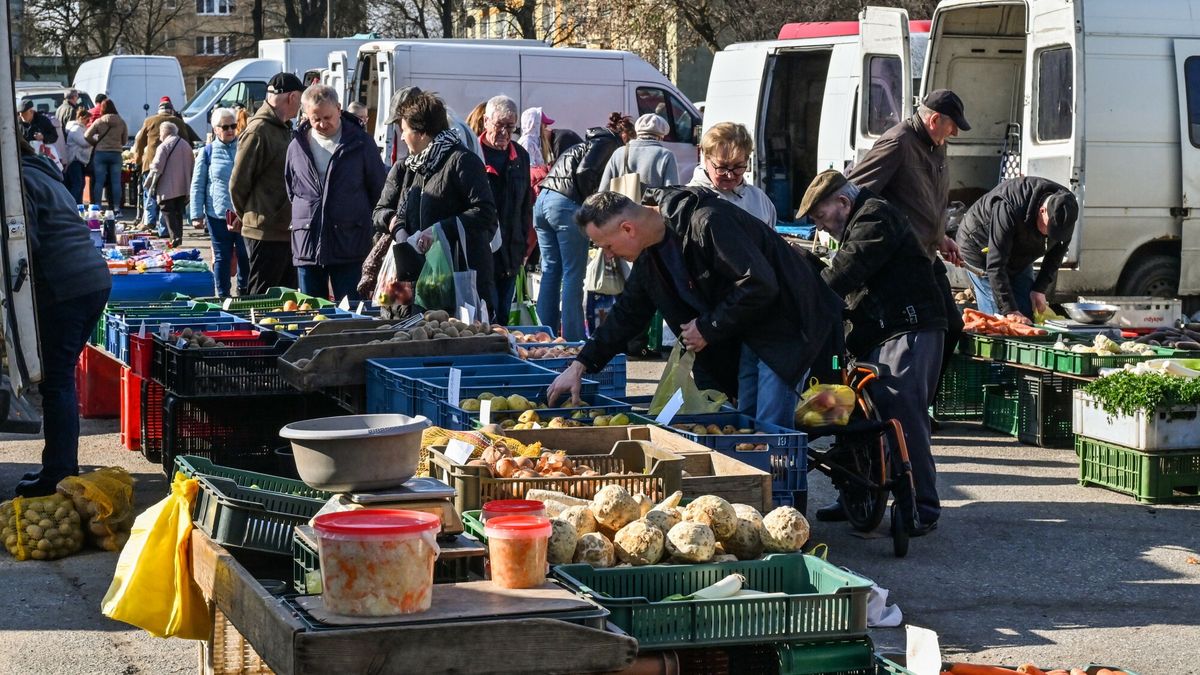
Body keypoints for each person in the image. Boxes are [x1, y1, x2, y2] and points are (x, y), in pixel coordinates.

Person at [546, 188, 842, 416]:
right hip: (752, 331)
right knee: (749, 421)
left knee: (769, 427)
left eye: (607, 246)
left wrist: (707, 326)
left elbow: (758, 283)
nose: (608, 255)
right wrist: (580, 365)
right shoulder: (650, 255)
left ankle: (781, 495)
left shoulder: (706, 221)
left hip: (790, 323)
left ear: (627, 228)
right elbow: (628, 313)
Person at [800, 170, 947, 534]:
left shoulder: (875, 217)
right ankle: (857, 491)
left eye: (821, 218)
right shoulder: (861, 218)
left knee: (902, 413)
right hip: (875, 331)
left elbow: (847, 270)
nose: (821, 228)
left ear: (843, 203)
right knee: (851, 411)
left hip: (907, 327)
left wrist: (806, 299)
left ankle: (921, 507)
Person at [847, 89, 971, 399]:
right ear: (934, 119)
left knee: (952, 325)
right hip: (902, 260)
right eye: (952, 125)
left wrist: (940, 235)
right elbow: (855, 190)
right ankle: (901, 399)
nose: (954, 132)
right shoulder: (898, 141)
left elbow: (924, 199)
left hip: (927, 253)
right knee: (917, 329)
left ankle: (922, 401)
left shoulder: (935, 145)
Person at [13, 134, 112, 497]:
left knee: (56, 382)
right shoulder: (42, 171)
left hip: (67, 286)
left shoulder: (16, 182)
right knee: (59, 379)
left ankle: (57, 473)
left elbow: (24, 243)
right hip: (91, 279)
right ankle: (60, 468)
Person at [370, 91, 497, 314]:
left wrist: (439, 230)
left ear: (421, 132)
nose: (401, 137)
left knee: (449, 337)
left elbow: (485, 212)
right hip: (409, 274)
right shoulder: (408, 167)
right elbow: (380, 212)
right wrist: (397, 226)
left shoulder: (462, 161)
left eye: (405, 129)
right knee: (398, 327)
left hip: (454, 277)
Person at [285, 85, 386, 301]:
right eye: (315, 119)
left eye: (327, 117)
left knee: (350, 310)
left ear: (339, 109)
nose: (322, 124)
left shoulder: (361, 143)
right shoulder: (296, 146)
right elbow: (292, 189)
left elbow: (378, 191)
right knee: (310, 313)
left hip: (349, 243)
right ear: (306, 115)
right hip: (308, 243)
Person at [535, 120, 623, 340]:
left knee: (550, 272)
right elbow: (586, 171)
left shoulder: (579, 146)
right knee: (573, 276)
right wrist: (590, 205)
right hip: (565, 205)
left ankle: (543, 336)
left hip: (542, 201)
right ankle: (573, 342)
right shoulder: (607, 143)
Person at [955, 177, 1079, 323]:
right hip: (980, 248)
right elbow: (995, 264)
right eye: (1049, 229)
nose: (1050, 235)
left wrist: (1039, 288)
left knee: (1027, 314)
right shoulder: (1010, 207)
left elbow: (1056, 255)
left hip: (1020, 253)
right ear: (1042, 211)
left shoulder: (1066, 211)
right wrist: (1009, 310)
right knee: (999, 321)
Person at [230, 73, 304, 293]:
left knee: (286, 299)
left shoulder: (284, 128)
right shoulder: (259, 130)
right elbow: (238, 182)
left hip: (284, 230)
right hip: (264, 231)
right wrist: (250, 217)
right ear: (292, 97)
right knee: (261, 299)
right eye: (300, 99)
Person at [479, 95, 533, 325]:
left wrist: (525, 247)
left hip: (511, 251)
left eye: (510, 127)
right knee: (483, 317)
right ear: (485, 121)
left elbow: (525, 206)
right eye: (499, 124)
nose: (504, 132)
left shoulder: (521, 156)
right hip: (481, 250)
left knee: (502, 318)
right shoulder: (472, 154)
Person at [190, 107, 249, 297]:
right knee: (222, 257)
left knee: (245, 254)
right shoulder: (206, 153)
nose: (230, 130)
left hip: (243, 213)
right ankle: (223, 295)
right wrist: (196, 214)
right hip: (218, 214)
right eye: (225, 127)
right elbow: (197, 185)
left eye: (233, 126)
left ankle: (244, 292)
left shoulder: (244, 147)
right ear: (216, 129)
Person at [688, 122, 776, 227]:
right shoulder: (690, 200)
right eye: (722, 167)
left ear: (747, 160)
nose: (730, 175)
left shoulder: (759, 199)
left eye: (738, 166)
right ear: (706, 159)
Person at [133, 97, 200, 235]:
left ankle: (149, 222)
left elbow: (139, 142)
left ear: (159, 111)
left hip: (151, 162)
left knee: (150, 193)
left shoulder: (149, 121)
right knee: (166, 197)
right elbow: (186, 142)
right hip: (171, 166)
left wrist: (138, 159)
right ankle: (164, 230)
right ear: (171, 111)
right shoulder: (178, 122)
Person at [599, 113, 680, 196]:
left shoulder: (619, 153)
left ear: (637, 132)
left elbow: (603, 191)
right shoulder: (666, 155)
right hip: (650, 208)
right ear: (661, 136)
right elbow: (671, 195)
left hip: (621, 207)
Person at [150, 121, 194, 247]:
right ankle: (178, 236)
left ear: (165, 132)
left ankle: (174, 237)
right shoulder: (186, 145)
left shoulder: (164, 146)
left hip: (167, 186)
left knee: (168, 210)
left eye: (160, 133)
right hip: (183, 185)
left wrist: (152, 183)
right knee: (178, 212)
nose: (159, 136)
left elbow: (157, 166)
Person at [83, 99, 128, 215]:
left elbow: (87, 135)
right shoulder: (121, 122)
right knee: (116, 182)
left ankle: (97, 207)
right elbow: (125, 140)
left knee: (99, 181)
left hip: (101, 154)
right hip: (116, 154)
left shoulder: (99, 121)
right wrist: (117, 143)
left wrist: (95, 143)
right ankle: (117, 209)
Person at [63, 107, 93, 205]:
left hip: (79, 160)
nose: (88, 122)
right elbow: (83, 143)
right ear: (81, 118)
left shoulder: (81, 128)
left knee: (80, 184)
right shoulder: (76, 129)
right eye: (87, 119)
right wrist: (94, 139)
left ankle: (78, 205)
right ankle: (72, 204)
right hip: (74, 159)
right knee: (77, 183)